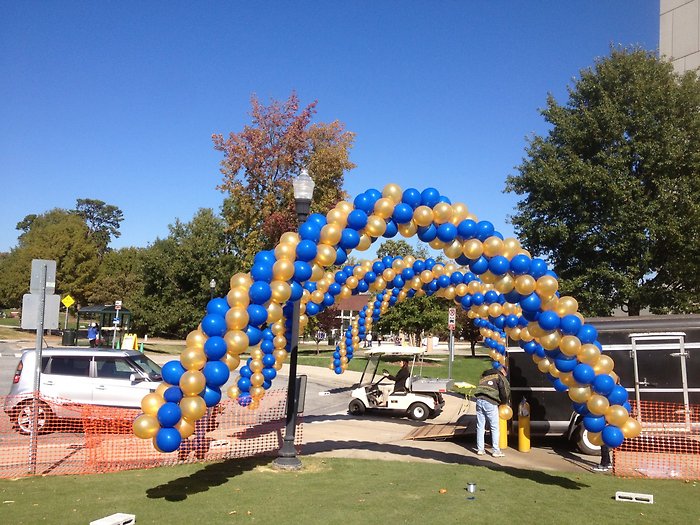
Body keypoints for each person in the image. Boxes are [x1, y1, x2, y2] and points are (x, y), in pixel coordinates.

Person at [474, 365, 510, 457]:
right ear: (503, 372)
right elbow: (505, 391)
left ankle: (480, 449)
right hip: (490, 402)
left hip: (479, 400)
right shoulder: (500, 377)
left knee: (480, 426)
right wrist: (504, 403)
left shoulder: (485, 376)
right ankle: (496, 451)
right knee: (494, 427)